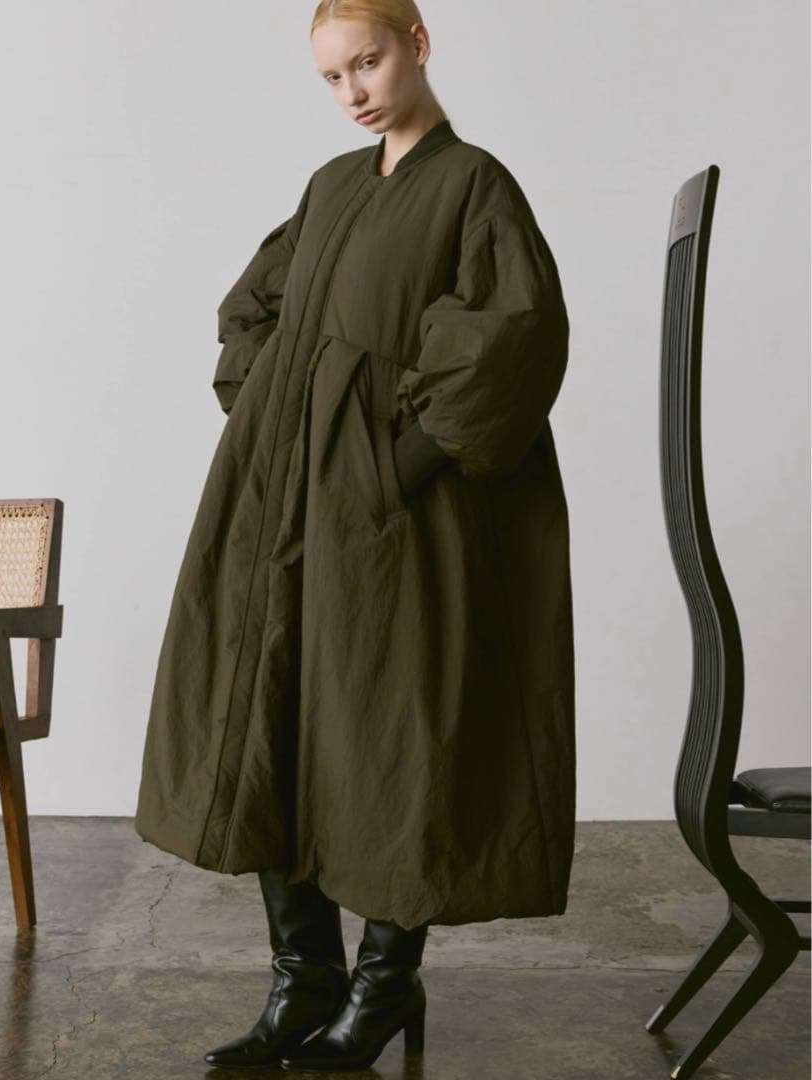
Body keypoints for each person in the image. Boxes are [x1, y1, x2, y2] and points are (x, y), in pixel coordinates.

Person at [134, 0, 576, 1071]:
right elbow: (253, 310)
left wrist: (394, 463)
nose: (354, 93)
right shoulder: (331, 186)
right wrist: (282, 416)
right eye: (332, 77)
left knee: (389, 736)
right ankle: (304, 982)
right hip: (282, 511)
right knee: (275, 720)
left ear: (417, 45)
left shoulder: (473, 185)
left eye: (367, 63)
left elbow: (513, 335)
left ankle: (382, 988)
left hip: (393, 522)